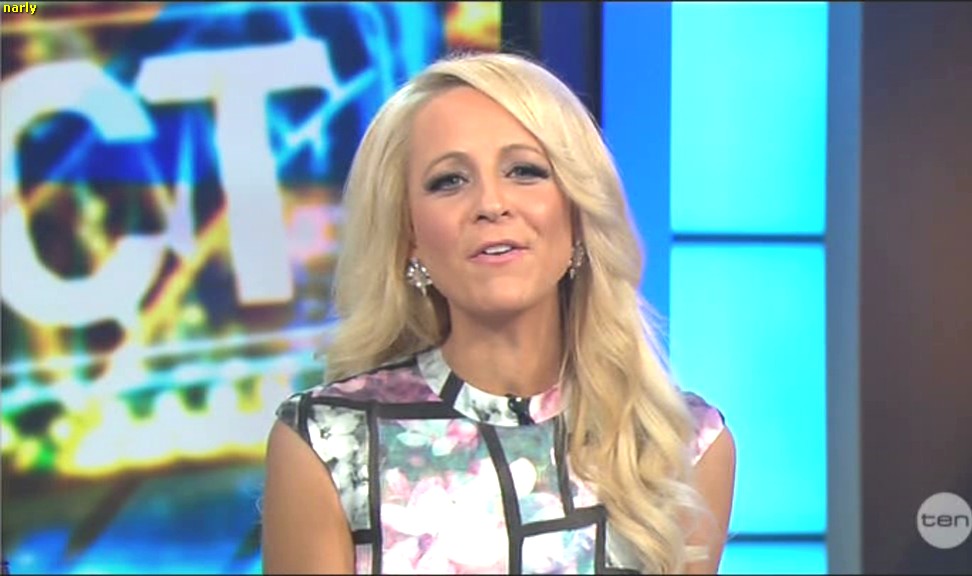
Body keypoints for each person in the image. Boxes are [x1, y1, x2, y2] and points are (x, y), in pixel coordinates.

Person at [261, 51, 736, 575]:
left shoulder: (681, 445)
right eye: (449, 181)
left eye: (524, 171)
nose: (491, 204)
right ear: (410, 236)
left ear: (579, 213)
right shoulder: (329, 439)